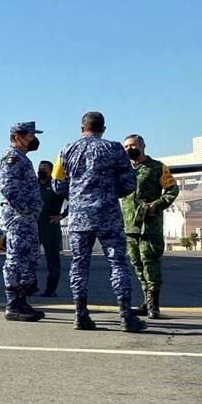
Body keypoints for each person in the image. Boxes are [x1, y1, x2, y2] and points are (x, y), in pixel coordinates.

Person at [52, 112, 146, 332]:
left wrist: (77, 194)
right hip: (108, 215)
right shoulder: (114, 149)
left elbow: (58, 185)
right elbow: (129, 183)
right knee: (117, 263)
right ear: (103, 128)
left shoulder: (66, 150)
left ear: (81, 128)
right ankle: (125, 316)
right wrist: (109, 192)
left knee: (79, 264)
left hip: (78, 219)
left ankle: (80, 315)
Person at [120, 134, 179, 319]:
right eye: (126, 147)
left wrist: (157, 205)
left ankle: (154, 305)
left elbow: (172, 190)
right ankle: (146, 301)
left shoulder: (157, 167)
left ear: (143, 145)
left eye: (133, 145)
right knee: (137, 264)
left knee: (150, 262)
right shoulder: (123, 169)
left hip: (149, 225)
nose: (129, 149)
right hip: (130, 226)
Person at [0, 122, 45, 321]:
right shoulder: (12, 158)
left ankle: (22, 300)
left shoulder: (22, 159)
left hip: (26, 217)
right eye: (31, 135)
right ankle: (13, 304)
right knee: (16, 257)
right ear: (18, 136)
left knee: (28, 257)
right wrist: (25, 209)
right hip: (18, 217)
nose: (34, 139)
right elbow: (8, 187)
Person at [37, 160, 67, 297]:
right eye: (40, 168)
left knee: (52, 260)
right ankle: (30, 287)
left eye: (44, 169)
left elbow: (75, 199)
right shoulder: (34, 185)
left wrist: (62, 216)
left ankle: (50, 290)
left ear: (51, 171)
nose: (41, 171)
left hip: (50, 226)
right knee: (29, 258)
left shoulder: (57, 185)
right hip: (34, 225)